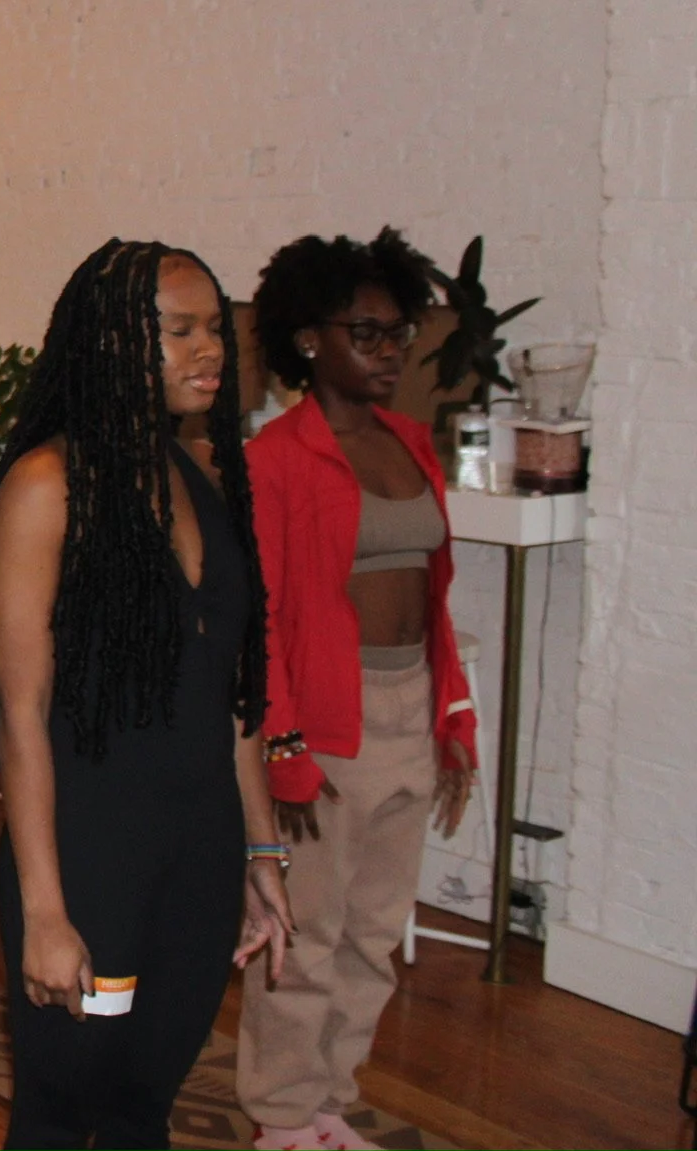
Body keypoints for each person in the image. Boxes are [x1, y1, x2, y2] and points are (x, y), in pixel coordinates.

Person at [0, 239, 293, 1149]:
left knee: (145, 1103)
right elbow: (21, 715)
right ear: (113, 344)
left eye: (215, 329)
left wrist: (262, 848)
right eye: (179, 330)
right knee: (62, 1109)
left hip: (200, 854)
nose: (210, 351)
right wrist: (45, 912)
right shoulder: (47, 487)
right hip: (90, 854)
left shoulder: (202, 480)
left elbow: (231, 697)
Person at [238, 229, 478, 1151]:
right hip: (326, 724)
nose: (391, 352)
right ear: (310, 339)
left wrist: (451, 715)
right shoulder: (276, 460)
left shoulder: (411, 443)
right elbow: (262, 621)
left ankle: (329, 1100)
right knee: (308, 930)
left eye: (400, 333)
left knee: (376, 930)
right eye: (368, 333)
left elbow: (435, 596)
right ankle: (282, 1115)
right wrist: (283, 743)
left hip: (411, 708)